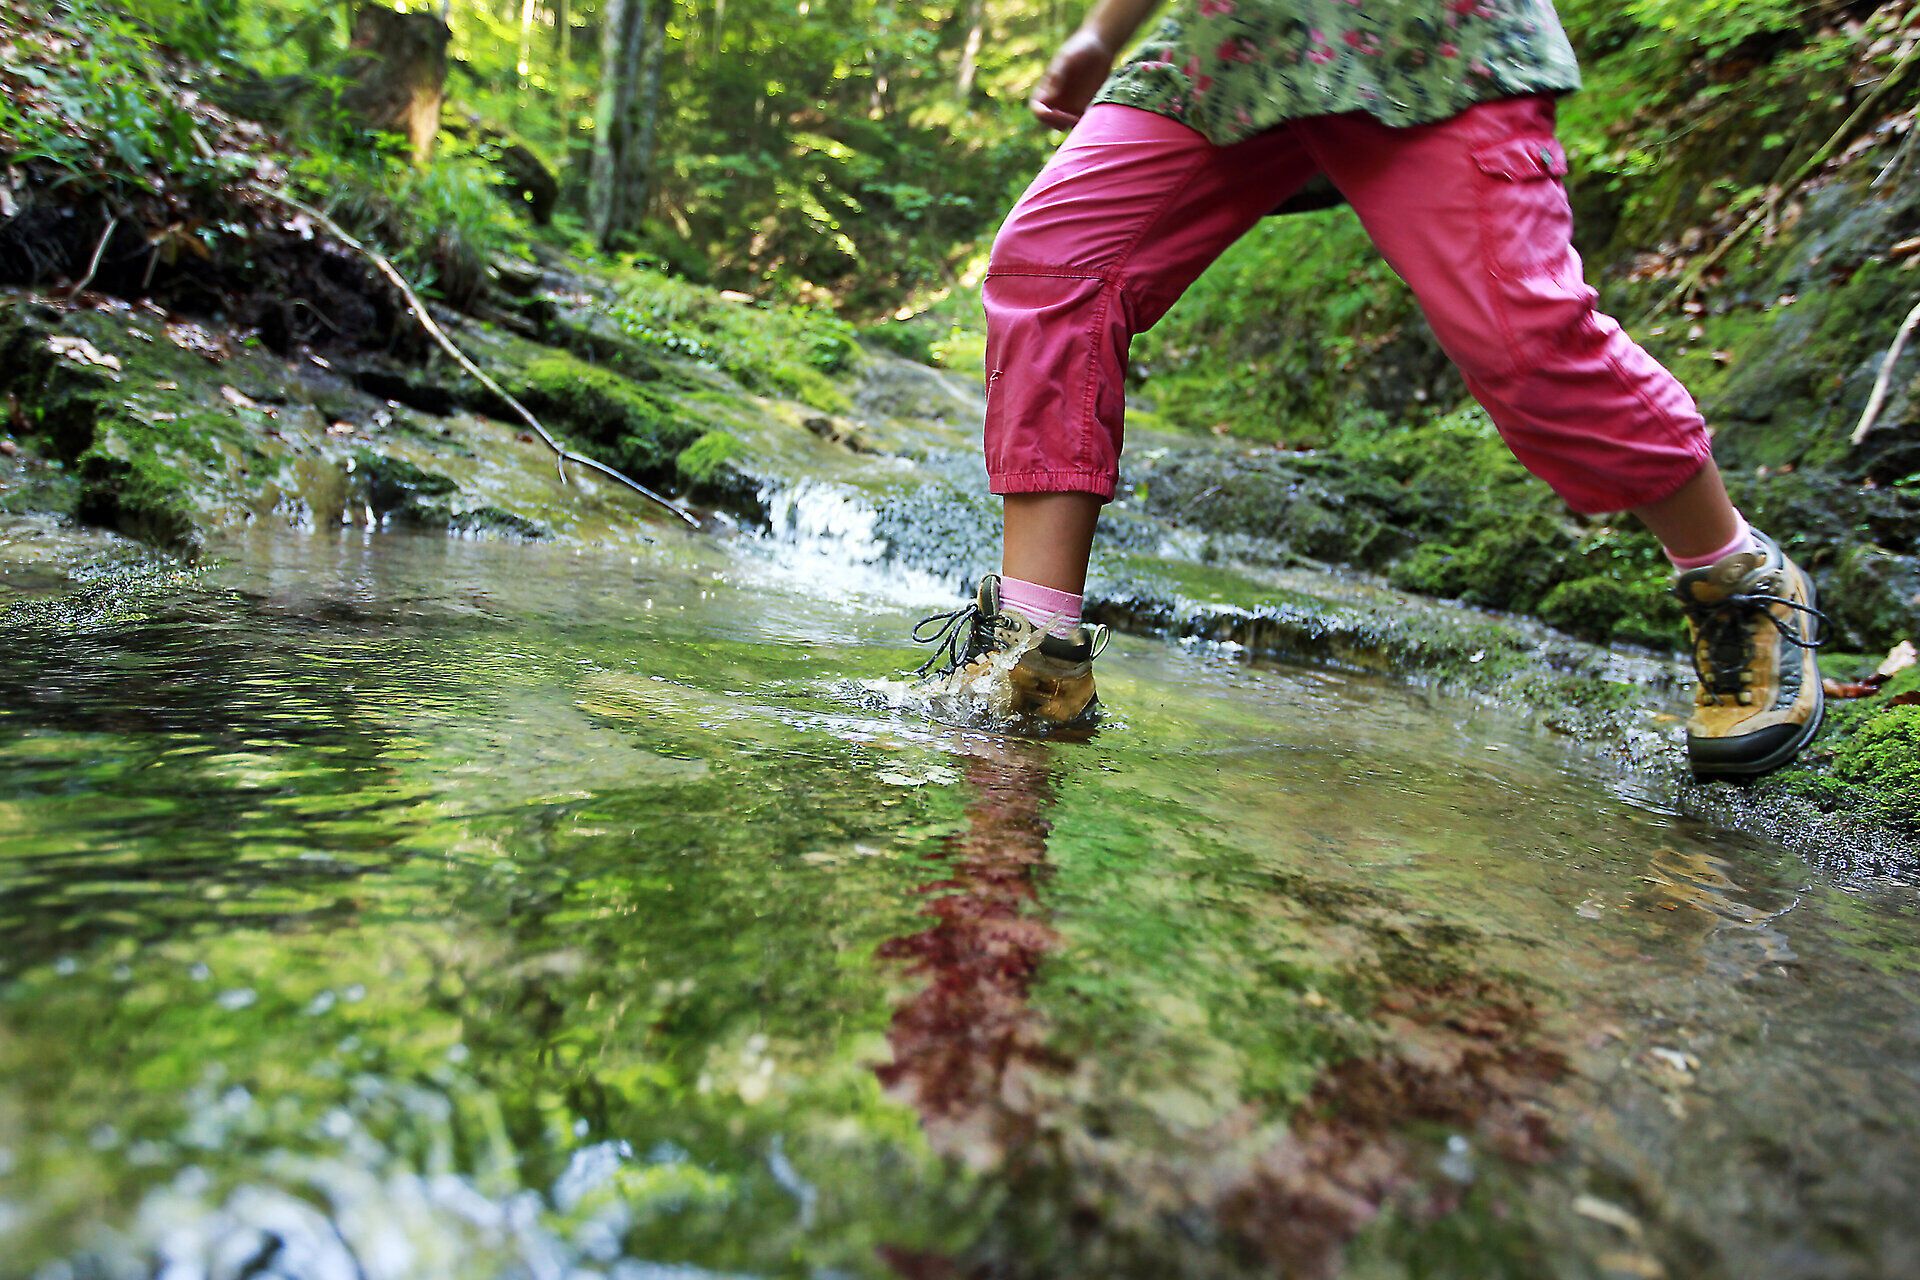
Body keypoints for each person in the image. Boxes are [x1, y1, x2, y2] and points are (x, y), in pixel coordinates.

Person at [910, 0, 1827, 778]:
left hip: (1430, 36)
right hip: (1241, 40)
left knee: (1524, 339)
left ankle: (1737, 576)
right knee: (1056, 266)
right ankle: (1034, 653)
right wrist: (1104, 33)